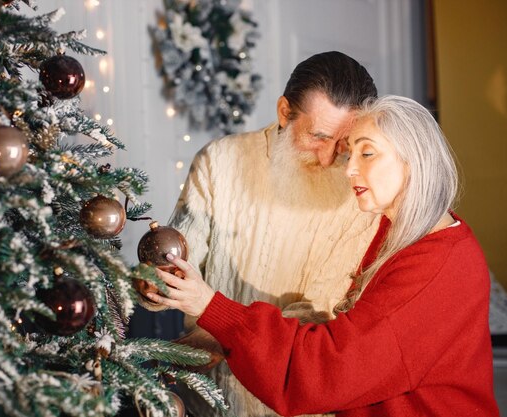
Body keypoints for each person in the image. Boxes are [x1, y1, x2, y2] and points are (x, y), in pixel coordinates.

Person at [146, 95, 500, 417]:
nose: (347, 168)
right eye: (351, 152)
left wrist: (213, 308)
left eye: (367, 153)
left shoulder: (435, 265)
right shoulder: (400, 233)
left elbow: (326, 370)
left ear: (413, 161)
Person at [135, 51, 381, 417]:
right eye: (318, 137)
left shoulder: (362, 192)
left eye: (344, 143)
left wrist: (224, 333)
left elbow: (325, 311)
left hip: (300, 400)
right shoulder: (219, 161)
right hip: (210, 396)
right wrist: (155, 286)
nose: (331, 158)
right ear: (285, 112)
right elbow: (179, 262)